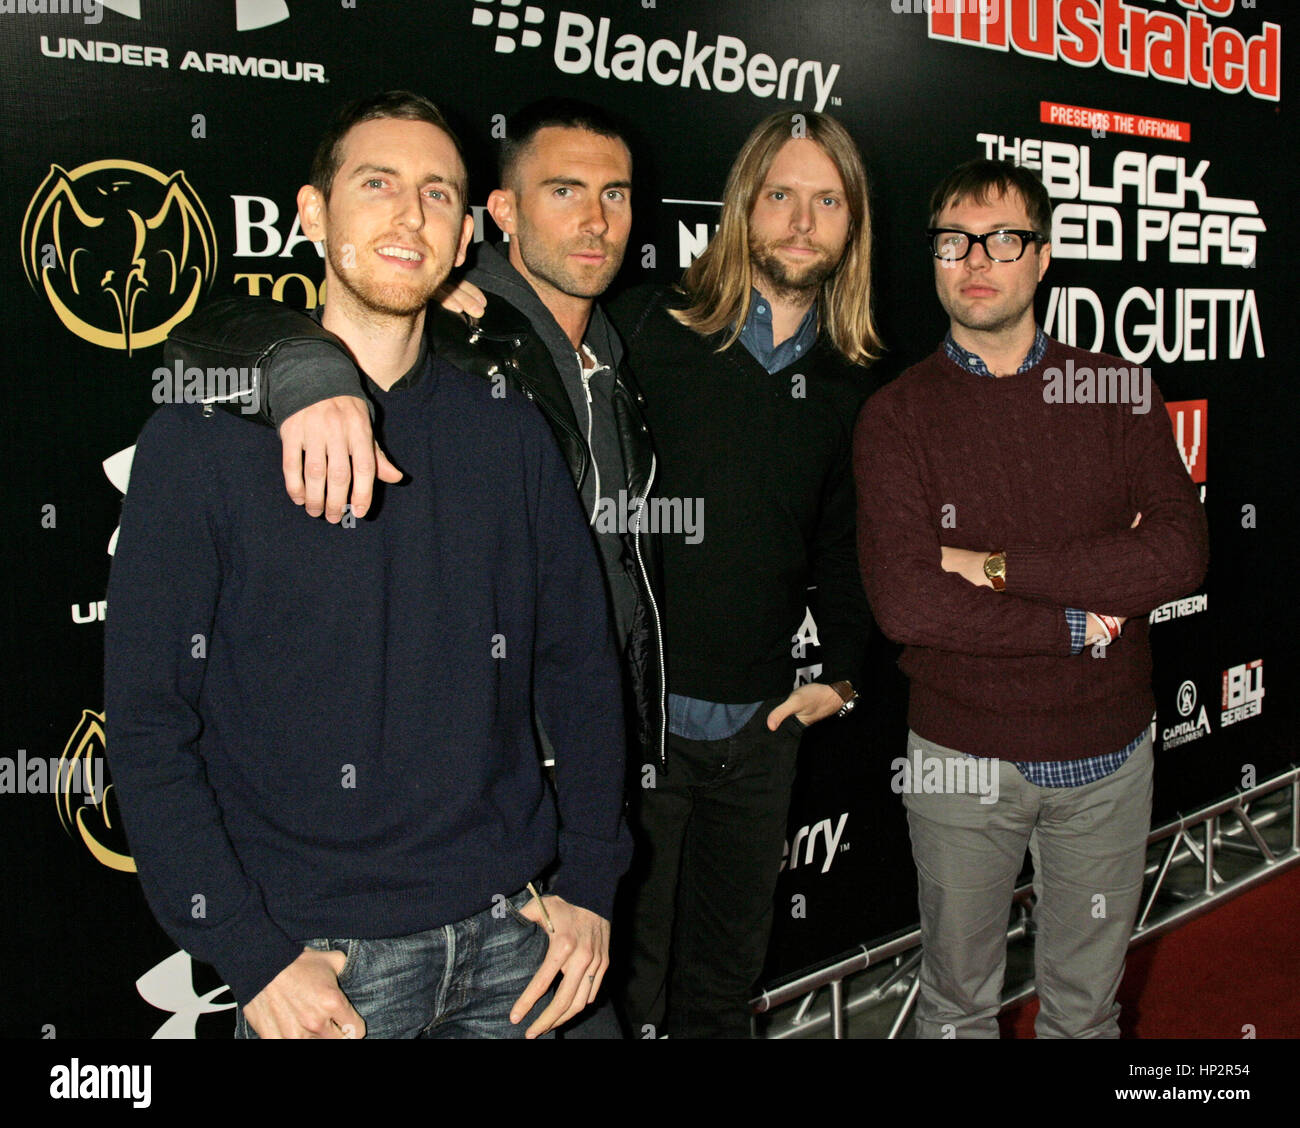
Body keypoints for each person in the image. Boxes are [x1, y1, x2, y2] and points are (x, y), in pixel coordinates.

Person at [105, 90, 630, 1039]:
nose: (408, 214)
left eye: (437, 193)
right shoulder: (198, 442)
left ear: (466, 231)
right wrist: (253, 955)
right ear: (313, 214)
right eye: (376, 183)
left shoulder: (512, 437)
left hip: (518, 937)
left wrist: (591, 883)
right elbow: (147, 727)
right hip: (323, 965)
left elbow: (584, 672)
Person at [166, 95, 665, 796]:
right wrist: (303, 366)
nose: (596, 220)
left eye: (615, 193)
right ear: (499, 216)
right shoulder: (448, 328)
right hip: (479, 767)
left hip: (598, 750)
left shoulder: (625, 346)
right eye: (564, 191)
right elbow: (201, 338)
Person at [853, 158, 1209, 1038]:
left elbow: (1177, 554)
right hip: (959, 760)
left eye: (1003, 238)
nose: (978, 258)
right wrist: (1079, 620)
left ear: (1042, 256)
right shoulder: (895, 417)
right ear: (933, 258)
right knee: (956, 1008)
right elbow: (911, 605)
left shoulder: (1114, 388)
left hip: (1107, 760)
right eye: (954, 241)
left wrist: (999, 566)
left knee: (1085, 1015)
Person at [606, 110, 880, 1038]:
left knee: (722, 991)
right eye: (781, 196)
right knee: (620, 992)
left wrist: (839, 675)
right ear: (743, 207)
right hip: (636, 734)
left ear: (852, 224)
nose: (802, 222)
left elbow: (848, 546)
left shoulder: (851, 381)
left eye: (827, 201)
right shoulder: (646, 325)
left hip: (762, 738)